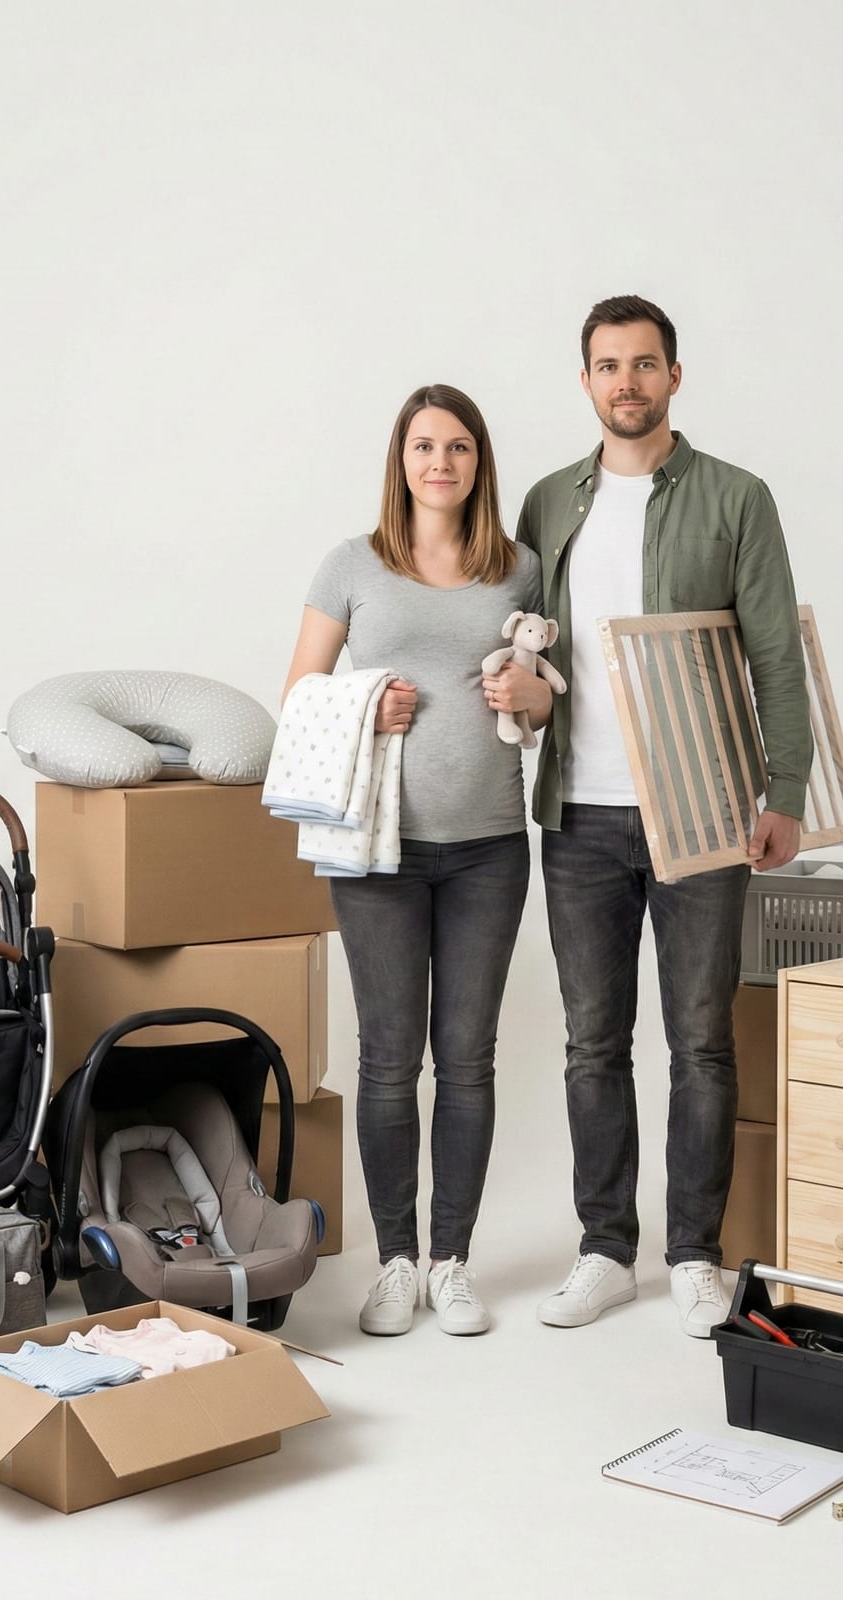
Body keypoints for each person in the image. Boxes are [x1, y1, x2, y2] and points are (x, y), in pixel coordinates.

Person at [497, 295, 812, 1337]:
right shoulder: (547, 502)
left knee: (699, 1042)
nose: (624, 381)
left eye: (642, 363)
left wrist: (785, 794)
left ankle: (694, 1255)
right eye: (605, 365)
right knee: (592, 1043)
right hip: (577, 817)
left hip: (703, 812)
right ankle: (603, 1249)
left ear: (674, 375)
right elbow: (518, 644)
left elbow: (774, 655)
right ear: (584, 381)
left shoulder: (735, 497)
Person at [282, 383, 543, 1337]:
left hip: (488, 850)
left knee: (467, 1061)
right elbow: (299, 694)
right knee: (390, 1061)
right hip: (375, 851)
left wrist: (532, 693)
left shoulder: (518, 570)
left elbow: (552, 694)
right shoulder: (353, 563)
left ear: (480, 463)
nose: (442, 462)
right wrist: (364, 703)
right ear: (401, 459)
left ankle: (452, 1262)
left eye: (460, 447)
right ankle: (395, 1262)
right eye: (425, 446)